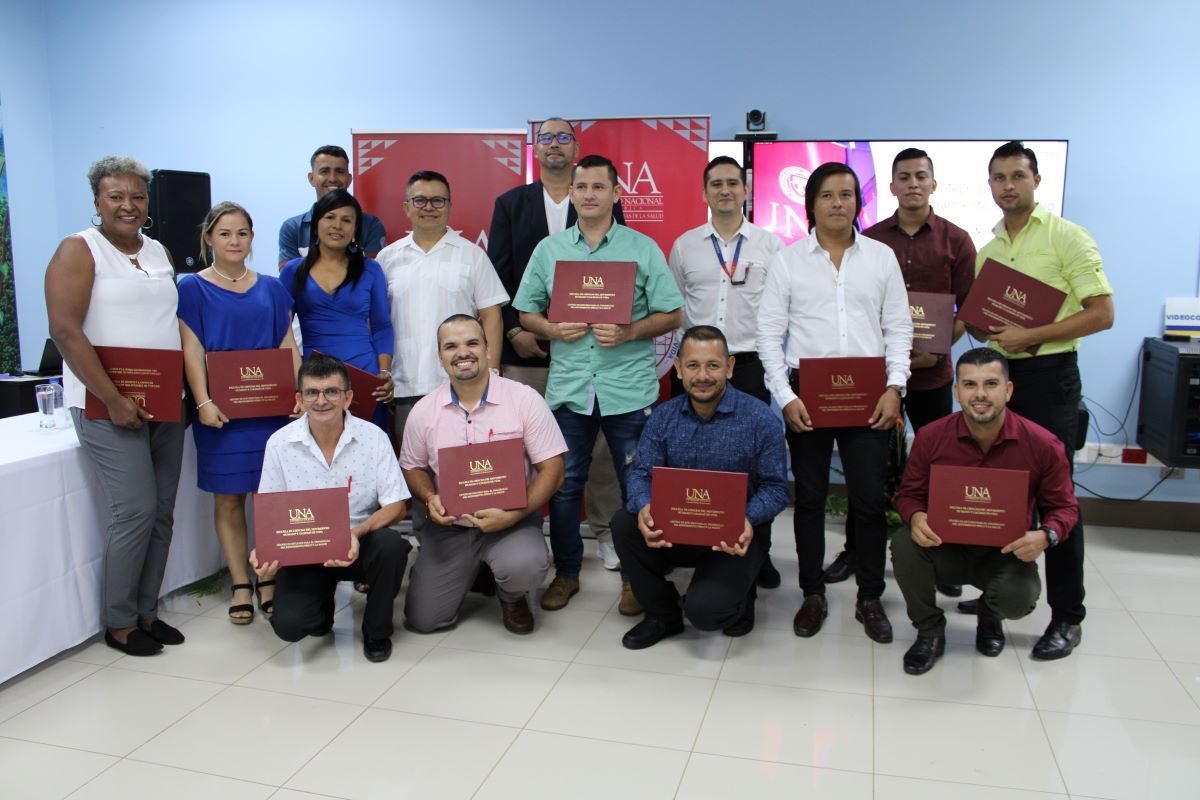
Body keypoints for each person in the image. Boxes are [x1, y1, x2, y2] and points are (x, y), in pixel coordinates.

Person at [959, 141, 1115, 660]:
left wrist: (1035, 334)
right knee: (997, 488)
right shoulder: (988, 251)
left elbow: (1101, 313)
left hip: (1050, 376)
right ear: (990, 186)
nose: (1009, 185)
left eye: (1018, 176)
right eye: (999, 178)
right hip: (1002, 379)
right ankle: (996, 597)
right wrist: (979, 323)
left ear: (1036, 180)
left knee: (1055, 496)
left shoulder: (1068, 238)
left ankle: (1068, 617)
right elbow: (982, 321)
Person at [513, 154, 684, 613]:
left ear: (616, 193)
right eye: (581, 186)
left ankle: (634, 579)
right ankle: (567, 574)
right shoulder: (549, 251)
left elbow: (673, 313)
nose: (589, 194)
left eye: (598, 186)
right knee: (566, 486)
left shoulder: (642, 247)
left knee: (635, 487)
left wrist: (630, 331)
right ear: (570, 192)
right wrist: (549, 330)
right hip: (569, 389)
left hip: (627, 387)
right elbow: (525, 309)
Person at [756, 161, 913, 643]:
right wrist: (784, 396)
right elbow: (768, 334)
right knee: (810, 499)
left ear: (858, 203)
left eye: (847, 194)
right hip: (809, 394)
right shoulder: (788, 260)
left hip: (870, 394)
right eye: (827, 195)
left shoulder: (882, 257)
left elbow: (899, 328)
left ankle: (870, 596)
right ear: (812, 204)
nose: (838, 203)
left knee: (868, 500)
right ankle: (812, 593)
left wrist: (896, 387)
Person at [44, 156, 187, 656]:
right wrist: (112, 397)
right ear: (97, 201)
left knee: (163, 512)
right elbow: (64, 330)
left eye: (137, 196)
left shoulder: (158, 250)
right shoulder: (79, 250)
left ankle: (147, 611)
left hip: (165, 401)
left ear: (148, 202)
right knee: (136, 510)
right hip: (106, 405)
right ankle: (120, 622)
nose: (128, 205)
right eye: (116, 196)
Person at [822, 149, 978, 595]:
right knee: (865, 469)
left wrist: (937, 347)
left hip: (931, 376)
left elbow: (968, 309)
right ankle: (854, 549)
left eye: (921, 176)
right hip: (873, 378)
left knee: (941, 467)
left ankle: (942, 557)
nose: (912, 183)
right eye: (904, 177)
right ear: (890, 186)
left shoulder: (957, 241)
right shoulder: (867, 239)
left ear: (933, 184)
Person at [488, 117, 627, 573]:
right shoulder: (511, 203)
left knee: (601, 447)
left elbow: (616, 272)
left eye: (562, 137)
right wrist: (514, 330)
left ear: (575, 146)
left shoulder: (598, 198)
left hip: (590, 352)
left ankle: (606, 531)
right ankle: (523, 532)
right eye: (545, 138)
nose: (553, 145)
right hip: (524, 347)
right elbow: (498, 275)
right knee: (522, 443)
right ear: (535, 147)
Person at [892, 348, 1079, 674]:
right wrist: (916, 516)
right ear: (956, 391)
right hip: (946, 549)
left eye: (991, 384)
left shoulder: (1043, 444)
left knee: (1017, 599)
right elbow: (909, 495)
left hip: (1006, 553)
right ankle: (930, 630)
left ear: (1008, 390)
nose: (980, 394)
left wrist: (1046, 535)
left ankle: (990, 616)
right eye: (969, 385)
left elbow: (1064, 507)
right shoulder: (931, 437)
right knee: (905, 543)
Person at [614, 326, 789, 648]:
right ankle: (662, 615)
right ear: (679, 369)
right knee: (624, 524)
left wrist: (746, 518)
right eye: (693, 365)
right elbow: (640, 473)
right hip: (678, 528)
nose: (703, 375)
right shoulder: (663, 417)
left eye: (713, 365)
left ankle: (742, 590)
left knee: (706, 613)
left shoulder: (760, 419)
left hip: (736, 535)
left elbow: (777, 488)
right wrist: (644, 505)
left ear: (730, 367)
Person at [399, 315, 566, 634]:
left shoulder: (524, 399)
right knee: (423, 621)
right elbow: (412, 466)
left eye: (472, 343)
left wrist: (515, 514)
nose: (463, 352)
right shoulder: (424, 411)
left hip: (511, 521)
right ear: (440, 357)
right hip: (452, 528)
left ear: (488, 350)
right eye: (451, 346)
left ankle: (511, 595)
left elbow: (554, 471)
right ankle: (474, 570)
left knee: (526, 567)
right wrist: (429, 496)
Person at [666, 155, 785, 590]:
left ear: (746, 189)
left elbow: (779, 312)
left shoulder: (770, 245)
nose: (725, 190)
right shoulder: (685, 245)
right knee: (694, 458)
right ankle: (696, 538)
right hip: (697, 365)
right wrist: (688, 362)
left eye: (733, 183)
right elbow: (676, 306)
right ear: (704, 192)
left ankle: (761, 554)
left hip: (749, 364)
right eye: (716, 183)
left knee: (755, 466)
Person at [178, 202, 300, 624]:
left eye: (242, 233)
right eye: (225, 233)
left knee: (269, 500)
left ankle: (268, 579)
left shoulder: (271, 287)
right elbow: (191, 350)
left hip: (271, 412)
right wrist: (203, 401)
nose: (234, 241)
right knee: (229, 500)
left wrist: (298, 391)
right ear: (209, 238)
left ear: (252, 238)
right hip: (221, 415)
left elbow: (287, 344)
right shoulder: (191, 287)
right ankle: (240, 584)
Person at [251, 355, 412, 663]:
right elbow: (270, 511)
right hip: (305, 547)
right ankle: (320, 609)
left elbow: (396, 506)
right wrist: (262, 551)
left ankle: (377, 632)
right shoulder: (279, 443)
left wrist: (356, 533)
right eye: (312, 392)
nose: (321, 400)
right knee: (290, 626)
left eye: (331, 392)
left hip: (360, 541)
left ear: (348, 397)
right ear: (300, 398)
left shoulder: (373, 438)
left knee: (392, 546)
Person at [377, 170, 509, 451]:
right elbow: (377, 323)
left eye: (437, 201)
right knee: (415, 472)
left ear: (449, 206)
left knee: (468, 471)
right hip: (406, 387)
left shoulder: (472, 254)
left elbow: (492, 315)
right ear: (406, 207)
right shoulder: (387, 259)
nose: (428, 207)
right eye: (420, 200)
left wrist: (493, 370)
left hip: (465, 383)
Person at [279, 189, 394, 431]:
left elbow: (383, 326)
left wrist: (384, 372)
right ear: (316, 223)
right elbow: (282, 330)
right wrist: (297, 381)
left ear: (355, 229)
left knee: (367, 453)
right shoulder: (292, 271)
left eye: (346, 220)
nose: (337, 226)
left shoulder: (370, 269)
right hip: (314, 378)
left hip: (364, 376)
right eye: (330, 217)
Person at [278, 145, 388, 265]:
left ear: (349, 179)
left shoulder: (371, 225)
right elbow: (290, 278)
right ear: (311, 178)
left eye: (339, 171)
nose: (332, 178)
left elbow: (371, 276)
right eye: (324, 171)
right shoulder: (293, 228)